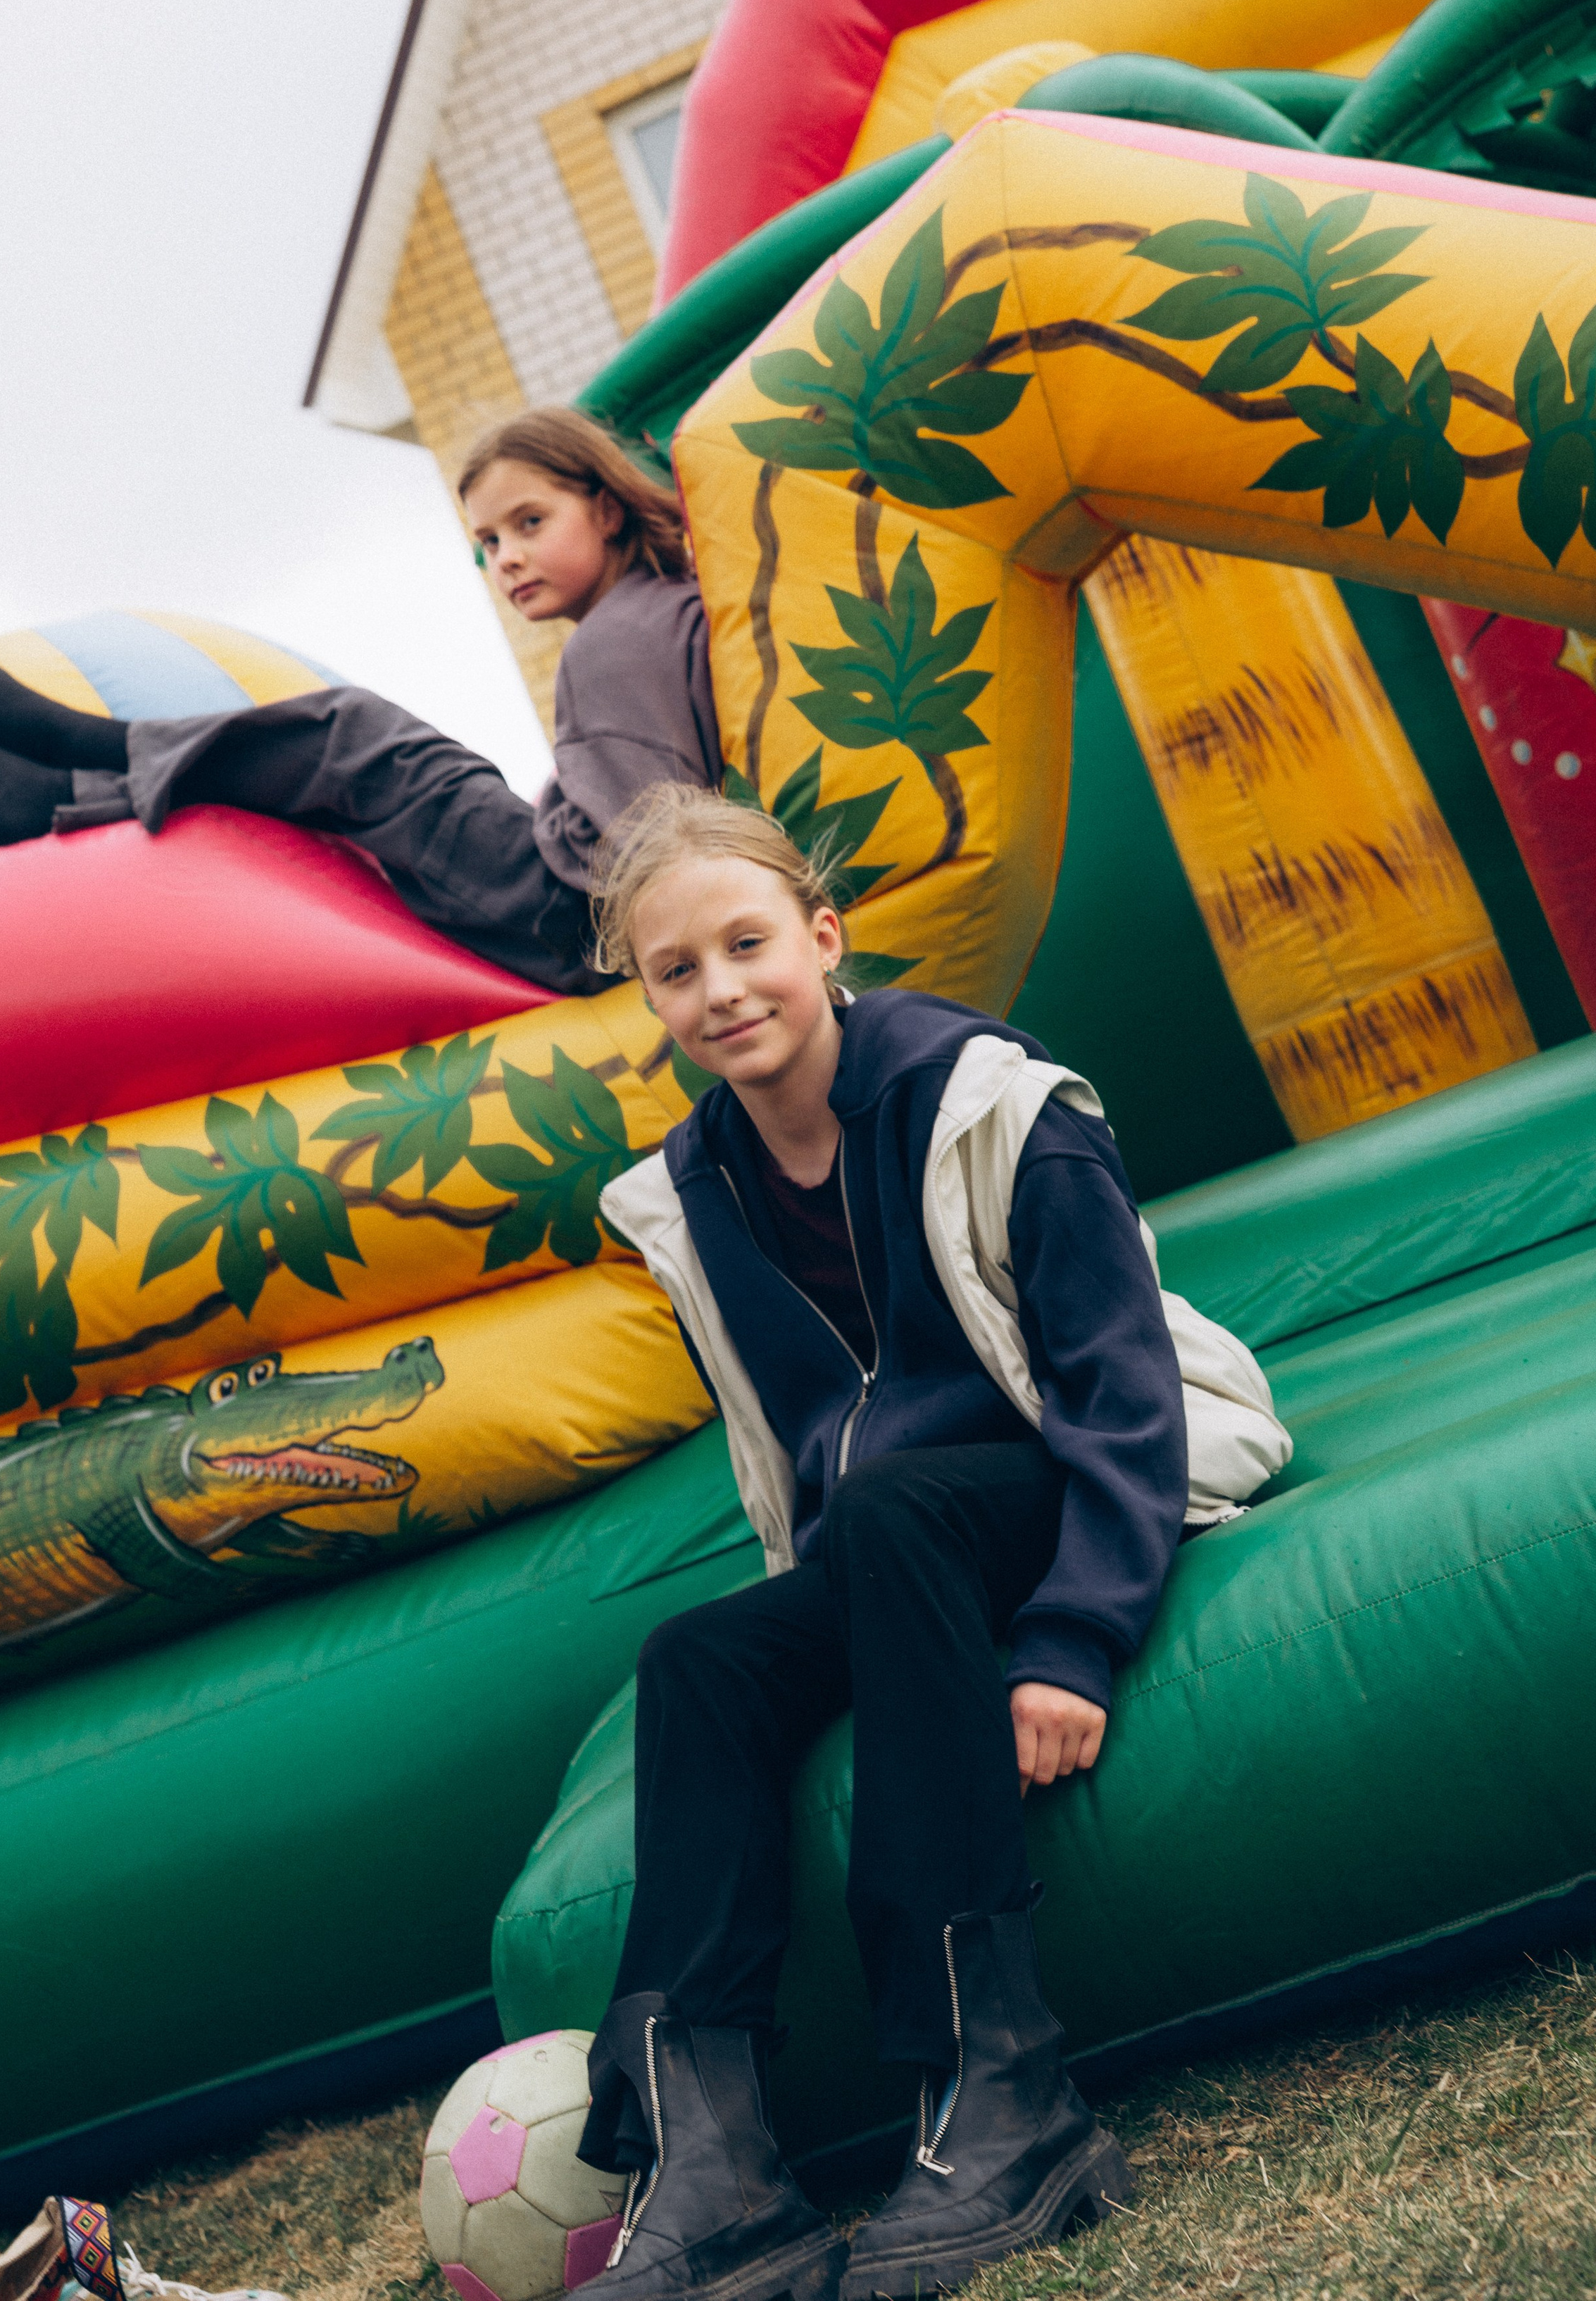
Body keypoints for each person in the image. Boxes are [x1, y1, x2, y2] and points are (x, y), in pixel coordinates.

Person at [572, 783, 1288, 2301]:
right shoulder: (694, 1196)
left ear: (820, 937)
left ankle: (1002, 2094)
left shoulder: (995, 1106)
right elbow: (797, 1465)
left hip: (1079, 1472)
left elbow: (1116, 1384)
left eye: (746, 943)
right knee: (694, 1657)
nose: (720, 991)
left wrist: (1071, 1640)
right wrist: (827, 1641)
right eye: (674, 971)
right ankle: (712, 2168)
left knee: (898, 1511)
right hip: (903, 1545)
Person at [0, 410, 721, 996]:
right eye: (488, 543)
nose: (507, 558)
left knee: (359, 738)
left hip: (574, 915)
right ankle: (69, 794)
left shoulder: (617, 637)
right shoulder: (661, 612)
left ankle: (93, 754)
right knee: (361, 767)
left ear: (607, 510)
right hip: (587, 909)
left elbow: (637, 839)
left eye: (530, 523)